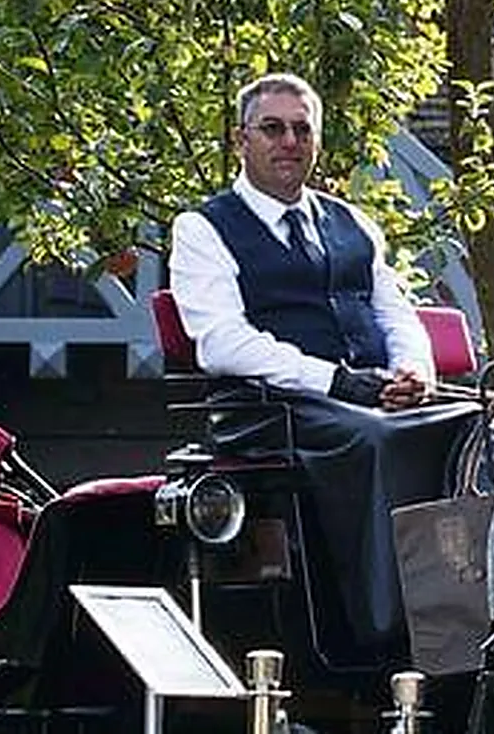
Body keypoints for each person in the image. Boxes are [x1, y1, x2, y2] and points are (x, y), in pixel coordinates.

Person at [168, 72, 471, 663]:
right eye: (273, 129)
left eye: (302, 129)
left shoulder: (352, 223)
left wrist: (414, 372)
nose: (289, 141)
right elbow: (224, 343)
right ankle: (392, 630)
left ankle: (469, 607)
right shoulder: (203, 228)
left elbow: (396, 312)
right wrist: (338, 381)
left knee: (476, 422)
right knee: (378, 440)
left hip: (366, 396)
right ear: (241, 140)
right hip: (270, 410)